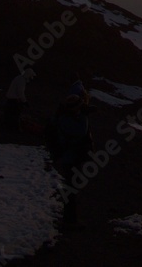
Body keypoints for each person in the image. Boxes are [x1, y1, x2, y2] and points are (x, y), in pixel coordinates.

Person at [54, 93, 94, 226]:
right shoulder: (65, 119)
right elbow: (81, 131)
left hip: (72, 157)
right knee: (71, 189)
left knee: (72, 188)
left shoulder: (67, 117)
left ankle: (70, 219)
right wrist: (84, 115)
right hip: (70, 158)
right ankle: (70, 221)